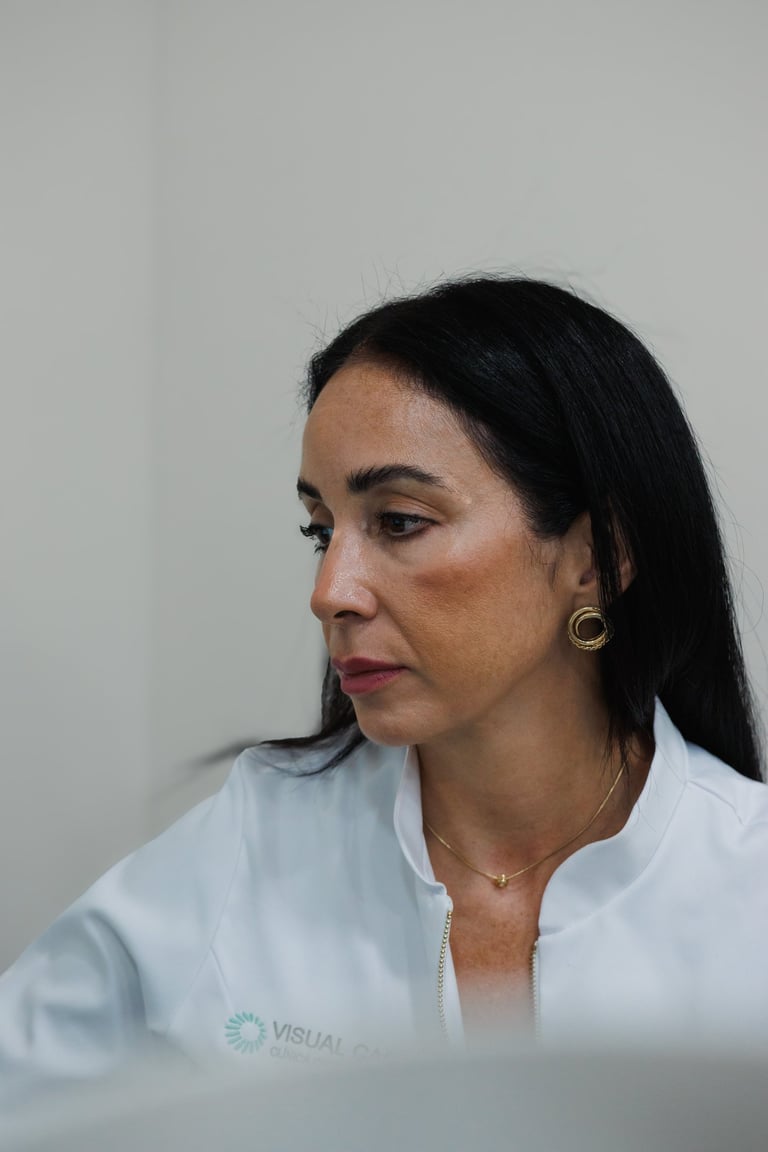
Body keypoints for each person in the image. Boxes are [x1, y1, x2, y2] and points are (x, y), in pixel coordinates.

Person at [1, 276, 766, 1102]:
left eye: (400, 521)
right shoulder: (255, 843)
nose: (330, 592)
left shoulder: (746, 885)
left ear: (598, 557)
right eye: (320, 531)